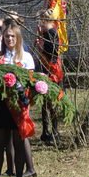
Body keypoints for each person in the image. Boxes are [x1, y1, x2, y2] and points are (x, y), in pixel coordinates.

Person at [0, 23, 37, 177]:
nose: (9, 39)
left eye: (12, 36)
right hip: (1, 105)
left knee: (19, 143)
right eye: (7, 36)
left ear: (18, 38)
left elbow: (31, 83)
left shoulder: (26, 57)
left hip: (19, 105)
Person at [35, 9, 63, 143]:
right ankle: (46, 132)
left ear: (47, 21)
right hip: (46, 69)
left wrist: (41, 46)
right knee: (45, 103)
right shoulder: (46, 33)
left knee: (51, 103)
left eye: (42, 20)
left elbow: (52, 53)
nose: (40, 23)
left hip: (51, 71)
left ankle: (54, 131)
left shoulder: (51, 33)